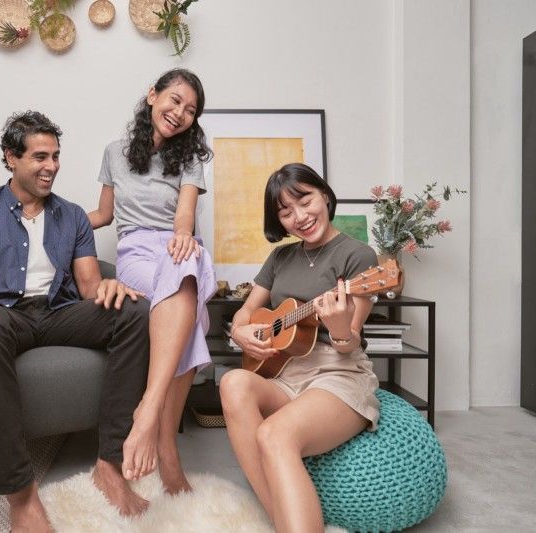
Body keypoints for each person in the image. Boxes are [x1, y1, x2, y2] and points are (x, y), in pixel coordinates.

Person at [0, 111, 152, 531]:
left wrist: (109, 292)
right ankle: (21, 496)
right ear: (11, 157)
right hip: (5, 315)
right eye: (40, 156)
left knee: (133, 311)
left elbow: (90, 286)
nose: (52, 166)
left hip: (59, 312)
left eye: (56, 156)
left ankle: (109, 465)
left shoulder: (73, 216)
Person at [219, 163, 380, 532]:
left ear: (323, 194)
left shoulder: (359, 257)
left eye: (304, 200)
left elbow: (348, 340)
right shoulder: (280, 258)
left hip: (337, 375)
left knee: (273, 434)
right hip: (285, 372)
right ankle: (285, 521)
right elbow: (244, 314)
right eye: (285, 211)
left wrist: (339, 324)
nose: (300, 217)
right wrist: (239, 333)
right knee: (231, 383)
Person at [88, 68, 217, 493]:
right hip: (137, 252)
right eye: (174, 100)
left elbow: (185, 215)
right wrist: (55, 220)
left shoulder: (190, 158)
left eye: (190, 110)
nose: (180, 113)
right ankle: (167, 447)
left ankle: (147, 411)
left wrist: (183, 238)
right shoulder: (114, 152)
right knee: (192, 318)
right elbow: (104, 215)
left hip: (179, 247)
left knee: (187, 265)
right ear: (152, 96)